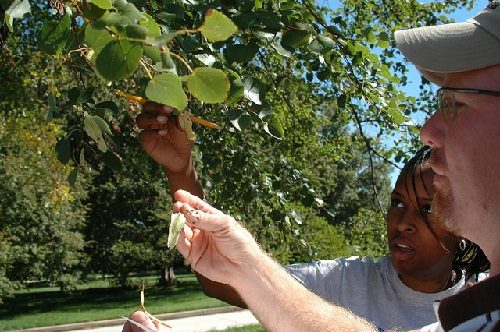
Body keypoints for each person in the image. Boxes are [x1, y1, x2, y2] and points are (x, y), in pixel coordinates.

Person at [128, 2, 500, 331]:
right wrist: (183, 172)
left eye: (455, 104)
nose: (428, 130)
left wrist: (247, 268)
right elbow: (223, 278)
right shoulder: (362, 285)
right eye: (398, 202)